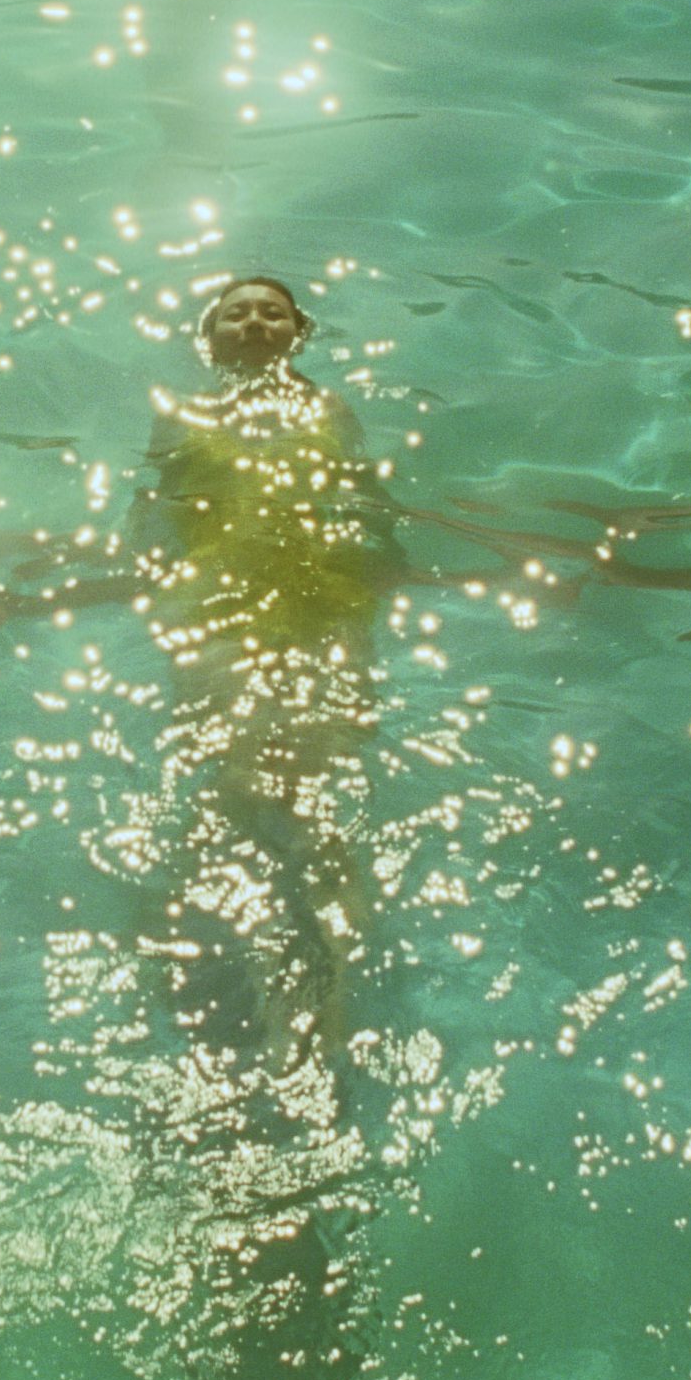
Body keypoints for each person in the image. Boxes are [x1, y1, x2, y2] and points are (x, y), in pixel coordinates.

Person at [126, 277, 402, 1067]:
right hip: (219, 604)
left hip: (327, 601)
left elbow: (367, 498)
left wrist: (392, 566)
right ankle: (232, 984)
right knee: (237, 778)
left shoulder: (331, 409)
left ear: (296, 332)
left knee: (314, 790)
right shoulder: (182, 412)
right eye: (236, 312)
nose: (253, 321)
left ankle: (324, 997)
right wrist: (144, 576)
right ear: (210, 335)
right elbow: (155, 505)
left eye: (270, 311)